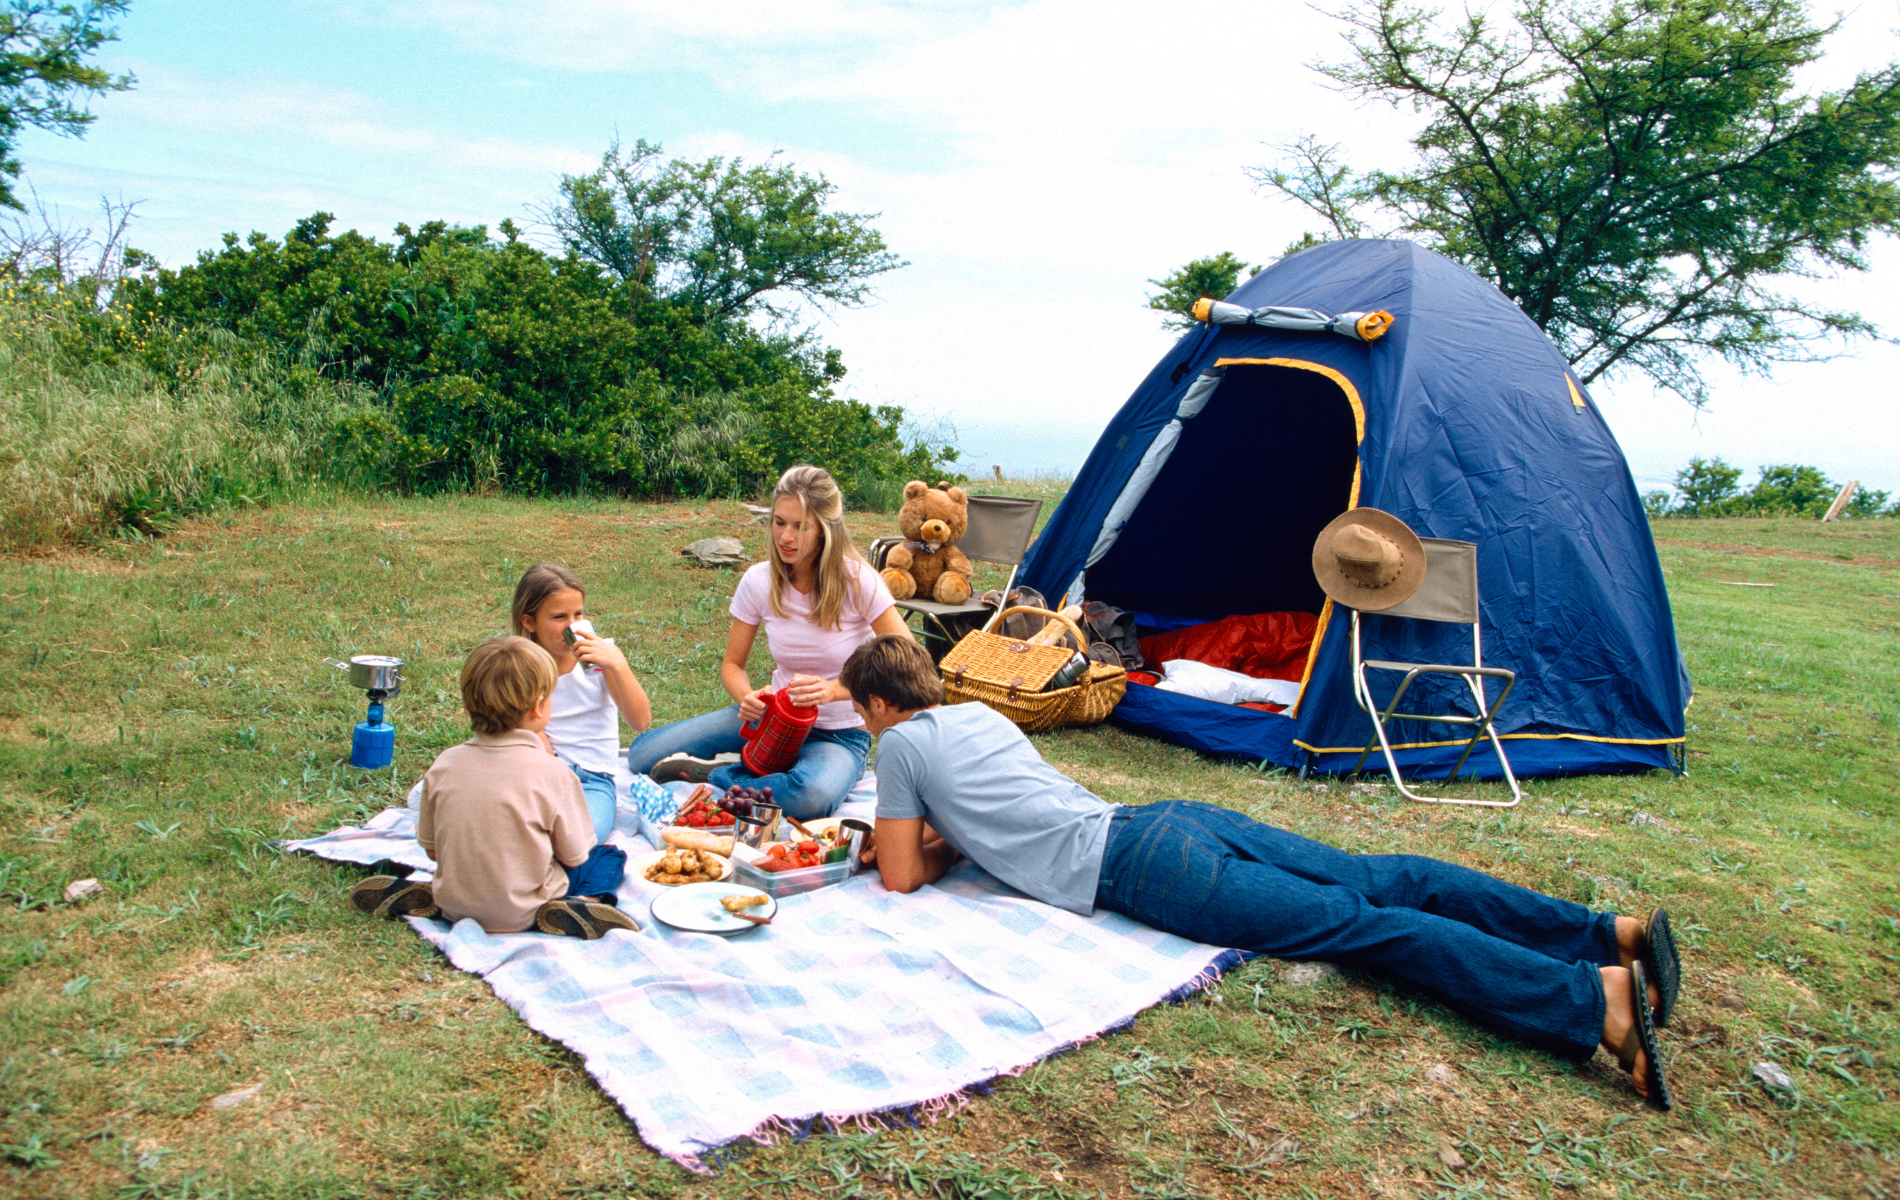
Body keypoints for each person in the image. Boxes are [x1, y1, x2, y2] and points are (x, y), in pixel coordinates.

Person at [837, 635, 1683, 1109]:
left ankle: (1594, 1002)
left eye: (862, 712)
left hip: (1140, 866)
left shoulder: (902, 744)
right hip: (1167, 821)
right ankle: (1604, 932)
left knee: (1364, 927)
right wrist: (952, 838)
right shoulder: (980, 715)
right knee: (1380, 877)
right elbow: (999, 817)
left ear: (878, 705)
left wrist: (908, 842)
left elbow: (903, 879)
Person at [625, 465, 914, 820]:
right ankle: (756, 768)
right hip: (772, 720)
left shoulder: (857, 581)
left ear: (824, 530)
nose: (786, 537)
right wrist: (746, 697)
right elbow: (733, 665)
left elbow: (907, 657)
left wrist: (835, 691)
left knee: (810, 796)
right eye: (779, 522)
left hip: (838, 734)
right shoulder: (758, 580)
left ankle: (717, 774)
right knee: (641, 756)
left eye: (800, 526)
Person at [348, 637, 638, 940]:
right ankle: (581, 902)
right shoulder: (555, 773)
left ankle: (440, 897)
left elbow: (432, 851)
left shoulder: (444, 764)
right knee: (607, 857)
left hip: (453, 903)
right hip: (524, 908)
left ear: (467, 704)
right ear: (539, 706)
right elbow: (575, 856)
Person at [510, 563, 664, 840]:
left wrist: (618, 665)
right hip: (540, 769)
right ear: (528, 622)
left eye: (578, 614)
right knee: (517, 830)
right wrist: (552, 776)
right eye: (559, 617)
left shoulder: (600, 657)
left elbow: (640, 721)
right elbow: (531, 732)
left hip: (594, 778)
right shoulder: (521, 664)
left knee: (581, 838)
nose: (572, 626)